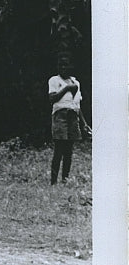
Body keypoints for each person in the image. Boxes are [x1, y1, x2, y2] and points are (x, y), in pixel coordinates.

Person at [48, 54, 90, 185]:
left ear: (70, 67)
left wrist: (84, 124)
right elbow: (52, 99)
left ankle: (64, 180)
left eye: (66, 65)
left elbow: (77, 105)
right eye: (60, 65)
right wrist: (66, 88)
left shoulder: (76, 82)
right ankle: (53, 182)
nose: (63, 68)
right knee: (59, 149)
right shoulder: (54, 80)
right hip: (60, 115)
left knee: (69, 151)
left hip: (73, 116)